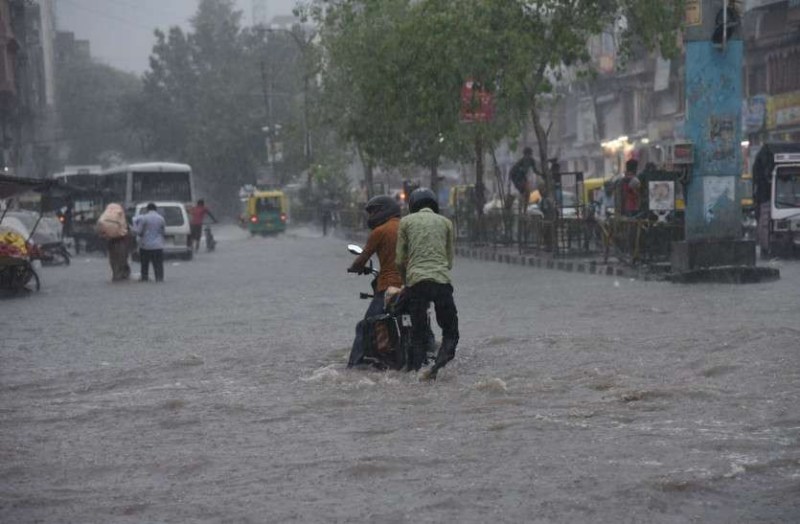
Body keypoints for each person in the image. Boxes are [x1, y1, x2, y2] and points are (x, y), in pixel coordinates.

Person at [396, 188, 459, 379]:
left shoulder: (405, 222)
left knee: (418, 334)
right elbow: (449, 261)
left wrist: (406, 281)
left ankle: (416, 372)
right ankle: (437, 367)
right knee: (450, 331)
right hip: (441, 282)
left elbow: (399, 260)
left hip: (416, 283)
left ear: (412, 205)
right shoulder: (446, 223)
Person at [346, 195, 403, 367]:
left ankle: (353, 367)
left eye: (373, 212)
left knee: (365, 326)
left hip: (388, 285)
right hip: (413, 284)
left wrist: (355, 268)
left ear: (383, 211)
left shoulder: (380, 231)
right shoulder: (408, 227)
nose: (371, 217)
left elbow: (361, 259)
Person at [96, 203, 131, 282]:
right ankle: (120, 275)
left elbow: (101, 230)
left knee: (113, 259)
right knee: (122, 259)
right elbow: (126, 230)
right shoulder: (122, 218)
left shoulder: (106, 217)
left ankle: (115, 275)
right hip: (121, 242)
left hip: (111, 242)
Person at [132, 202, 166, 282]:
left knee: (144, 265)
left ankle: (145, 278)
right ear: (155, 209)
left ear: (147, 209)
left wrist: (133, 229)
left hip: (145, 246)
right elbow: (163, 232)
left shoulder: (144, 218)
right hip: (158, 246)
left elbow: (139, 232)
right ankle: (159, 278)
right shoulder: (161, 218)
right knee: (158, 265)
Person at [509, 146, 539, 213]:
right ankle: (521, 210)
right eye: (527, 155)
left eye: (529, 154)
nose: (528, 156)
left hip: (521, 177)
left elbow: (535, 170)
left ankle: (523, 210)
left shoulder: (531, 160)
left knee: (526, 193)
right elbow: (514, 171)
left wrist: (542, 174)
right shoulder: (523, 160)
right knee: (525, 191)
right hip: (517, 177)